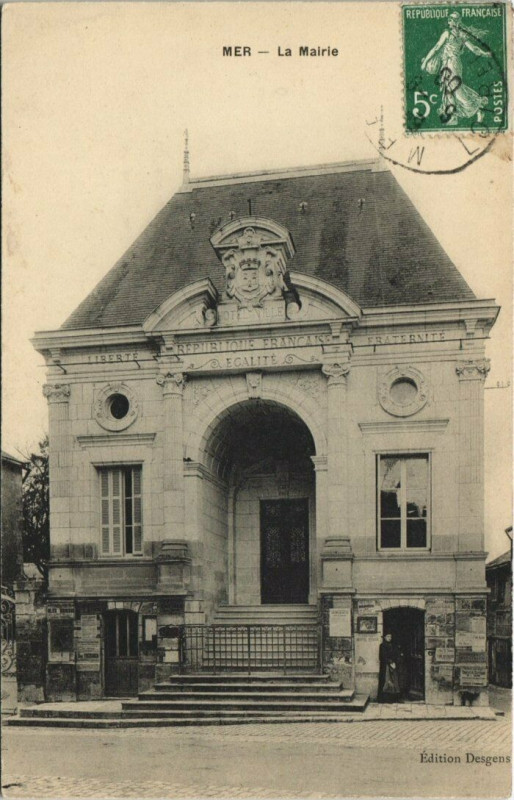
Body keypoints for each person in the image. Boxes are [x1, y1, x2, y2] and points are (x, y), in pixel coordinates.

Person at [421, 12, 492, 125]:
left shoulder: (451, 34)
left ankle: (477, 108)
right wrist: (484, 53)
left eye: (452, 19)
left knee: (455, 88)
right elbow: (474, 49)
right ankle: (453, 116)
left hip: (452, 64)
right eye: (450, 19)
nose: (450, 21)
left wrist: (425, 62)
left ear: (457, 21)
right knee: (448, 89)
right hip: (448, 63)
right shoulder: (458, 34)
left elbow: (436, 48)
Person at [378, 633, 401, 703]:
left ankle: (393, 699)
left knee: (394, 681)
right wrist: (390, 662)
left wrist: (395, 662)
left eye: (390, 636)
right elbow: (382, 656)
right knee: (386, 681)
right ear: (384, 637)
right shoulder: (382, 646)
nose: (389, 638)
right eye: (388, 636)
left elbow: (395, 654)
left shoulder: (393, 645)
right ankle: (384, 699)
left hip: (393, 665)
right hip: (386, 666)